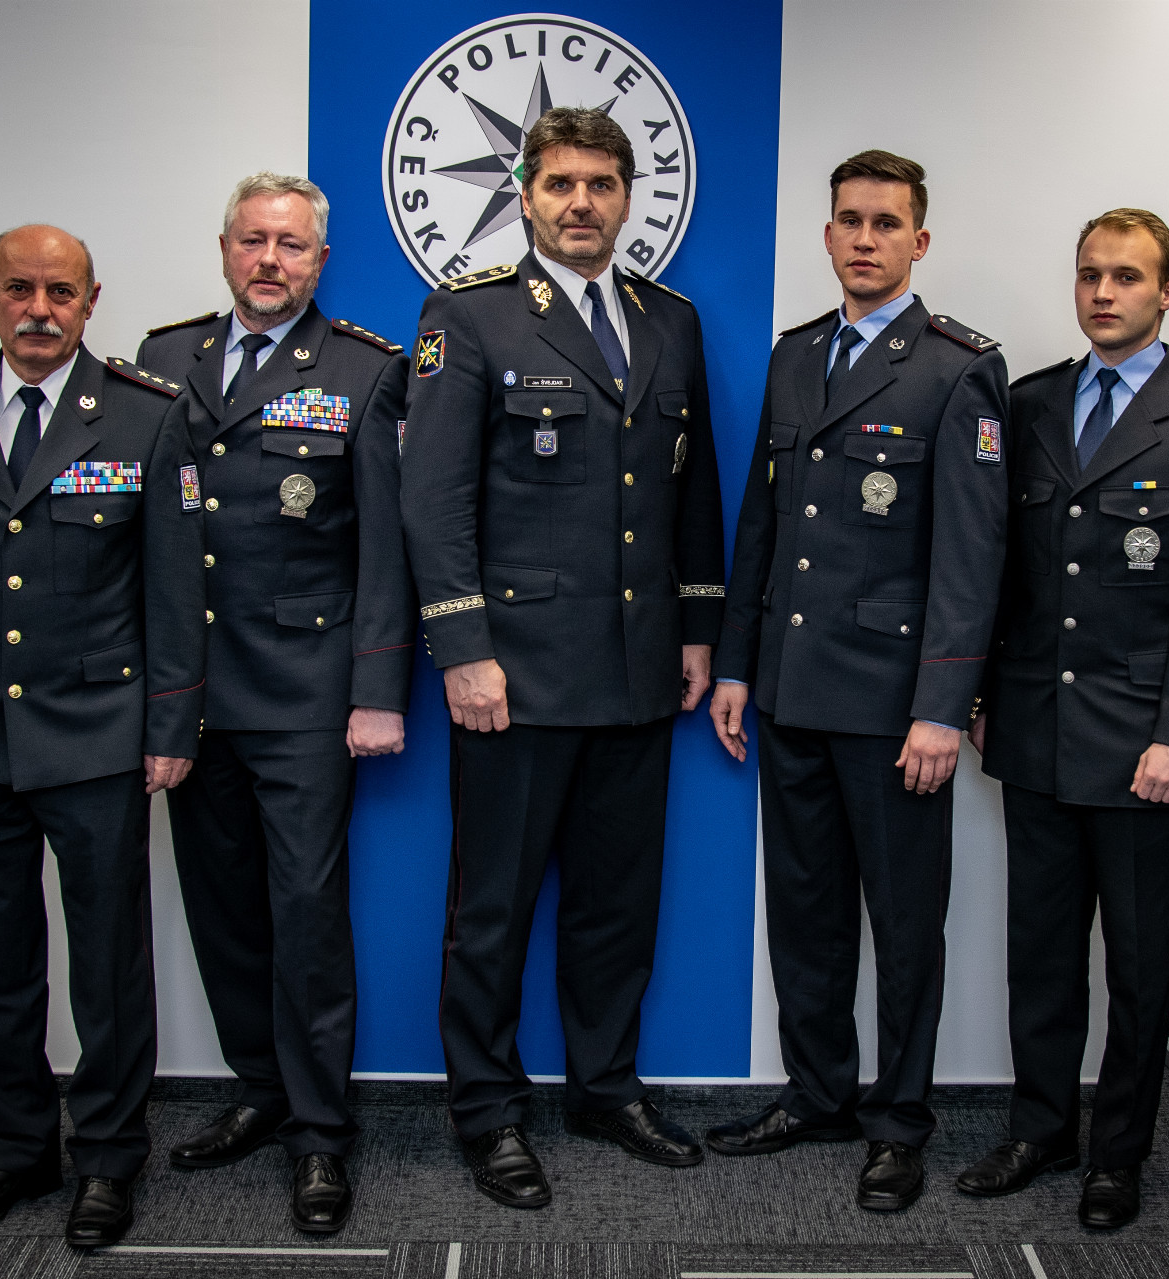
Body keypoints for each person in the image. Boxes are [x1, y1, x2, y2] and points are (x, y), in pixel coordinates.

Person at [400, 106, 726, 1209]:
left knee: (616, 905)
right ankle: (487, 1110)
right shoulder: (470, 317)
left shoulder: (669, 320)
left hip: (638, 668)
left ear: (628, 198)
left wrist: (696, 624)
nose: (581, 203)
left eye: (601, 184)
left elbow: (690, 485)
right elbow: (432, 498)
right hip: (517, 675)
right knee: (491, 911)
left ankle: (604, 1086)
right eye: (560, 184)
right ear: (527, 196)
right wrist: (463, 647)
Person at [0, 225, 204, 1247]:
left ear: (91, 301)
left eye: (61, 292)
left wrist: (171, 723)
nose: (39, 310)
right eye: (19, 288)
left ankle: (107, 1156)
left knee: (108, 967)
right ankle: (16, 1147)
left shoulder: (146, 414)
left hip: (96, 734)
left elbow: (174, 591)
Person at [705, 150, 1008, 1212]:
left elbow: (972, 558)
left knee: (905, 923)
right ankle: (819, 1093)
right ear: (827, 234)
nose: (865, 239)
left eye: (886, 223)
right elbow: (763, 521)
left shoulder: (959, 369)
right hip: (790, 688)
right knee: (806, 911)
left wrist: (942, 706)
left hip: (892, 706)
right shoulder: (797, 356)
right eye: (849, 220)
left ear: (919, 239)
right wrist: (737, 663)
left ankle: (899, 1122)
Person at [959, 209, 1169, 1229]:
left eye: (1127, 277)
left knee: (1138, 966)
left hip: (1146, 744)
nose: (1103, 292)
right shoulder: (1032, 402)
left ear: (1167, 292)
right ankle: (1042, 1126)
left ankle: (1118, 1153)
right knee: (1042, 953)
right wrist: (983, 696)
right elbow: (1001, 568)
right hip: (1038, 728)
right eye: (1090, 274)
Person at [134, 172, 413, 1234]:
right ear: (225, 248)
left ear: (320, 261)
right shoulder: (163, 360)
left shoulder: (364, 369)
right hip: (189, 693)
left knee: (306, 916)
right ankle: (259, 1089)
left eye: (291, 245)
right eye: (253, 240)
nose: (269, 260)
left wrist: (377, 689)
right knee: (222, 909)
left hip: (305, 692)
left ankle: (320, 1131)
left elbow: (385, 546)